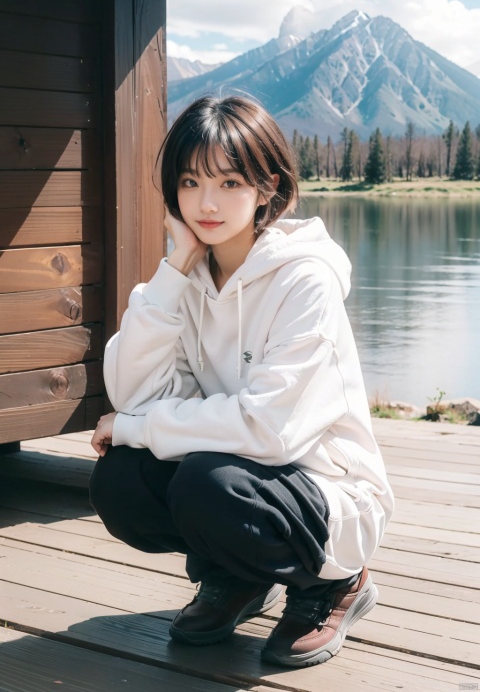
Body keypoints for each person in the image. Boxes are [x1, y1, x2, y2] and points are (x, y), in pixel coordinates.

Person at [89, 95, 394, 668]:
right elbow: (131, 392)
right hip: (240, 473)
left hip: (330, 494)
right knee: (121, 481)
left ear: (266, 188)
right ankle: (235, 575)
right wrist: (174, 268)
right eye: (189, 181)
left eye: (229, 183)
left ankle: (334, 584)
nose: (206, 203)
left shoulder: (306, 280)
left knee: (208, 481)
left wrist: (137, 426)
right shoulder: (188, 276)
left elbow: (268, 429)